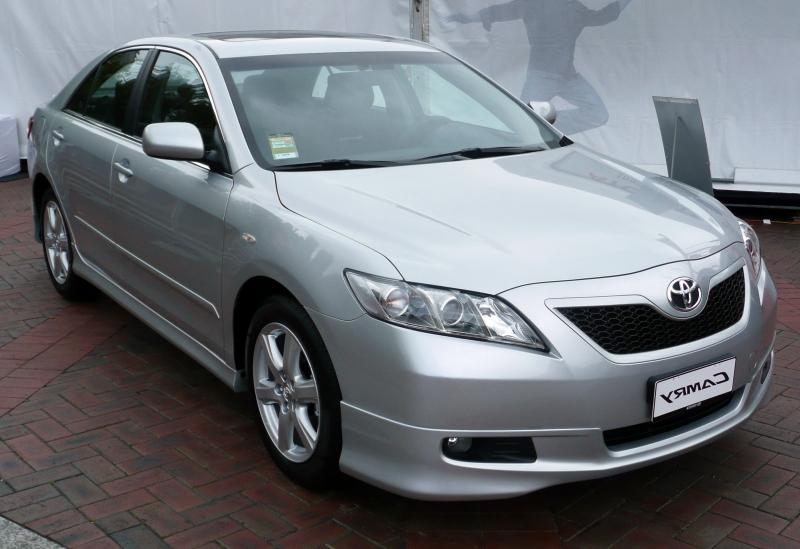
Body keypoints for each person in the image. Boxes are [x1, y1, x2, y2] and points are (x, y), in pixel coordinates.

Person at [447, 0, 633, 134]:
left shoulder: (573, 7)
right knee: (522, 122)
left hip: (569, 77)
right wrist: (469, 17)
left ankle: (545, 126)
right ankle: (534, 129)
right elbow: (504, 10)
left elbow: (603, 17)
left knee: (598, 114)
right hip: (541, 76)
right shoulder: (534, 4)